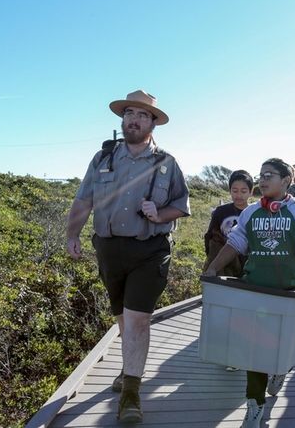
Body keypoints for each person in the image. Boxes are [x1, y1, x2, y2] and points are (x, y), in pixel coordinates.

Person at [66, 90, 191, 423]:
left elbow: (182, 206)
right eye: (129, 113)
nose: (134, 120)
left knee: (138, 319)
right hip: (109, 250)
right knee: (122, 317)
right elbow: (83, 202)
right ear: (123, 119)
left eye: (142, 115)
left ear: (153, 123)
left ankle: (132, 394)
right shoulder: (102, 158)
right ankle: (128, 368)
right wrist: (72, 234)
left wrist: (160, 214)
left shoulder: (166, 164)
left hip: (149, 251)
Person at [204, 158, 295, 428]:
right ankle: (254, 406)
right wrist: (213, 269)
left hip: (290, 293)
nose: (263, 179)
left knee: (285, 348)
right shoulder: (251, 212)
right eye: (261, 175)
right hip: (255, 289)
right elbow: (235, 242)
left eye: (269, 175)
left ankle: (281, 369)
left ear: (285, 180)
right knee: (253, 350)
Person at [203, 170, 253, 277]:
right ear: (230, 190)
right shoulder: (221, 211)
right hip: (222, 263)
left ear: (251, 192)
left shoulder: (254, 213)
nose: (239, 195)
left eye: (243, 191)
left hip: (247, 264)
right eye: (235, 191)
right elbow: (210, 236)